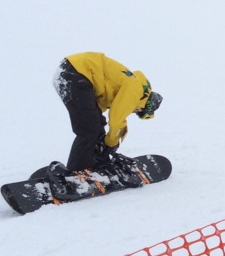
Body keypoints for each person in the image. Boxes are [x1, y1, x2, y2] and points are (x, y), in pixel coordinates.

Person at [51, 52, 163, 191]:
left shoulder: (125, 86)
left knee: (95, 126)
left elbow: (98, 112)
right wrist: (112, 142)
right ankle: (75, 176)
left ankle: (91, 164)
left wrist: (104, 144)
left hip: (71, 75)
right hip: (77, 74)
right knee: (89, 131)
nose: (135, 113)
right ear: (147, 105)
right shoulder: (137, 89)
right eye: (140, 113)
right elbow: (117, 119)